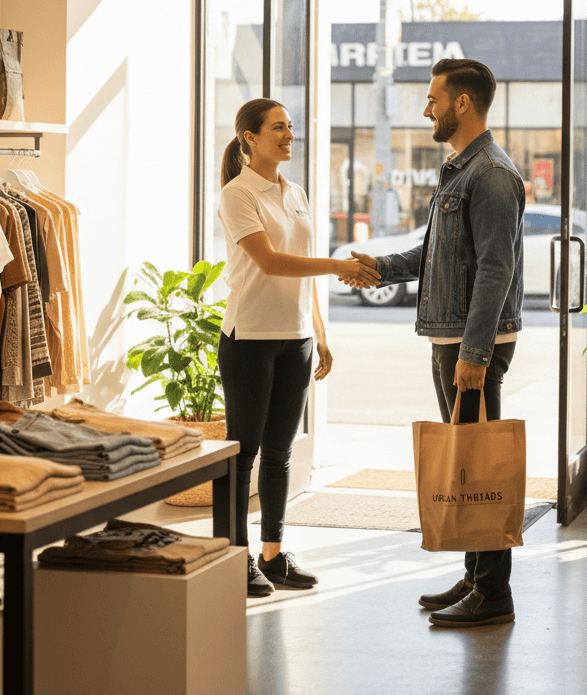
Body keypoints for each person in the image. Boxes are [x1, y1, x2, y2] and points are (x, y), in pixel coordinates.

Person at [348, 59, 525, 627]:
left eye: (433, 99)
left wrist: (474, 355)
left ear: (463, 104)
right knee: (467, 464)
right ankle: (476, 577)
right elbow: (435, 259)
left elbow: (497, 269)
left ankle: (493, 594)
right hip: (451, 337)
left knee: (482, 468)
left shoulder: (492, 175)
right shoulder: (460, 170)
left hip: (473, 345)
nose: (427, 108)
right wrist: (378, 267)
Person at [218, 97, 380, 598]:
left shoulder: (298, 192)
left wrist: (321, 333)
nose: (289, 136)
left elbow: (301, 268)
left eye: (290, 128)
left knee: (281, 453)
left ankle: (273, 555)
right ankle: (234, 558)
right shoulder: (237, 194)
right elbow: (269, 262)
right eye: (278, 129)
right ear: (249, 137)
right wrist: (339, 267)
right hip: (250, 338)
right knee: (242, 452)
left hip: (296, 339)